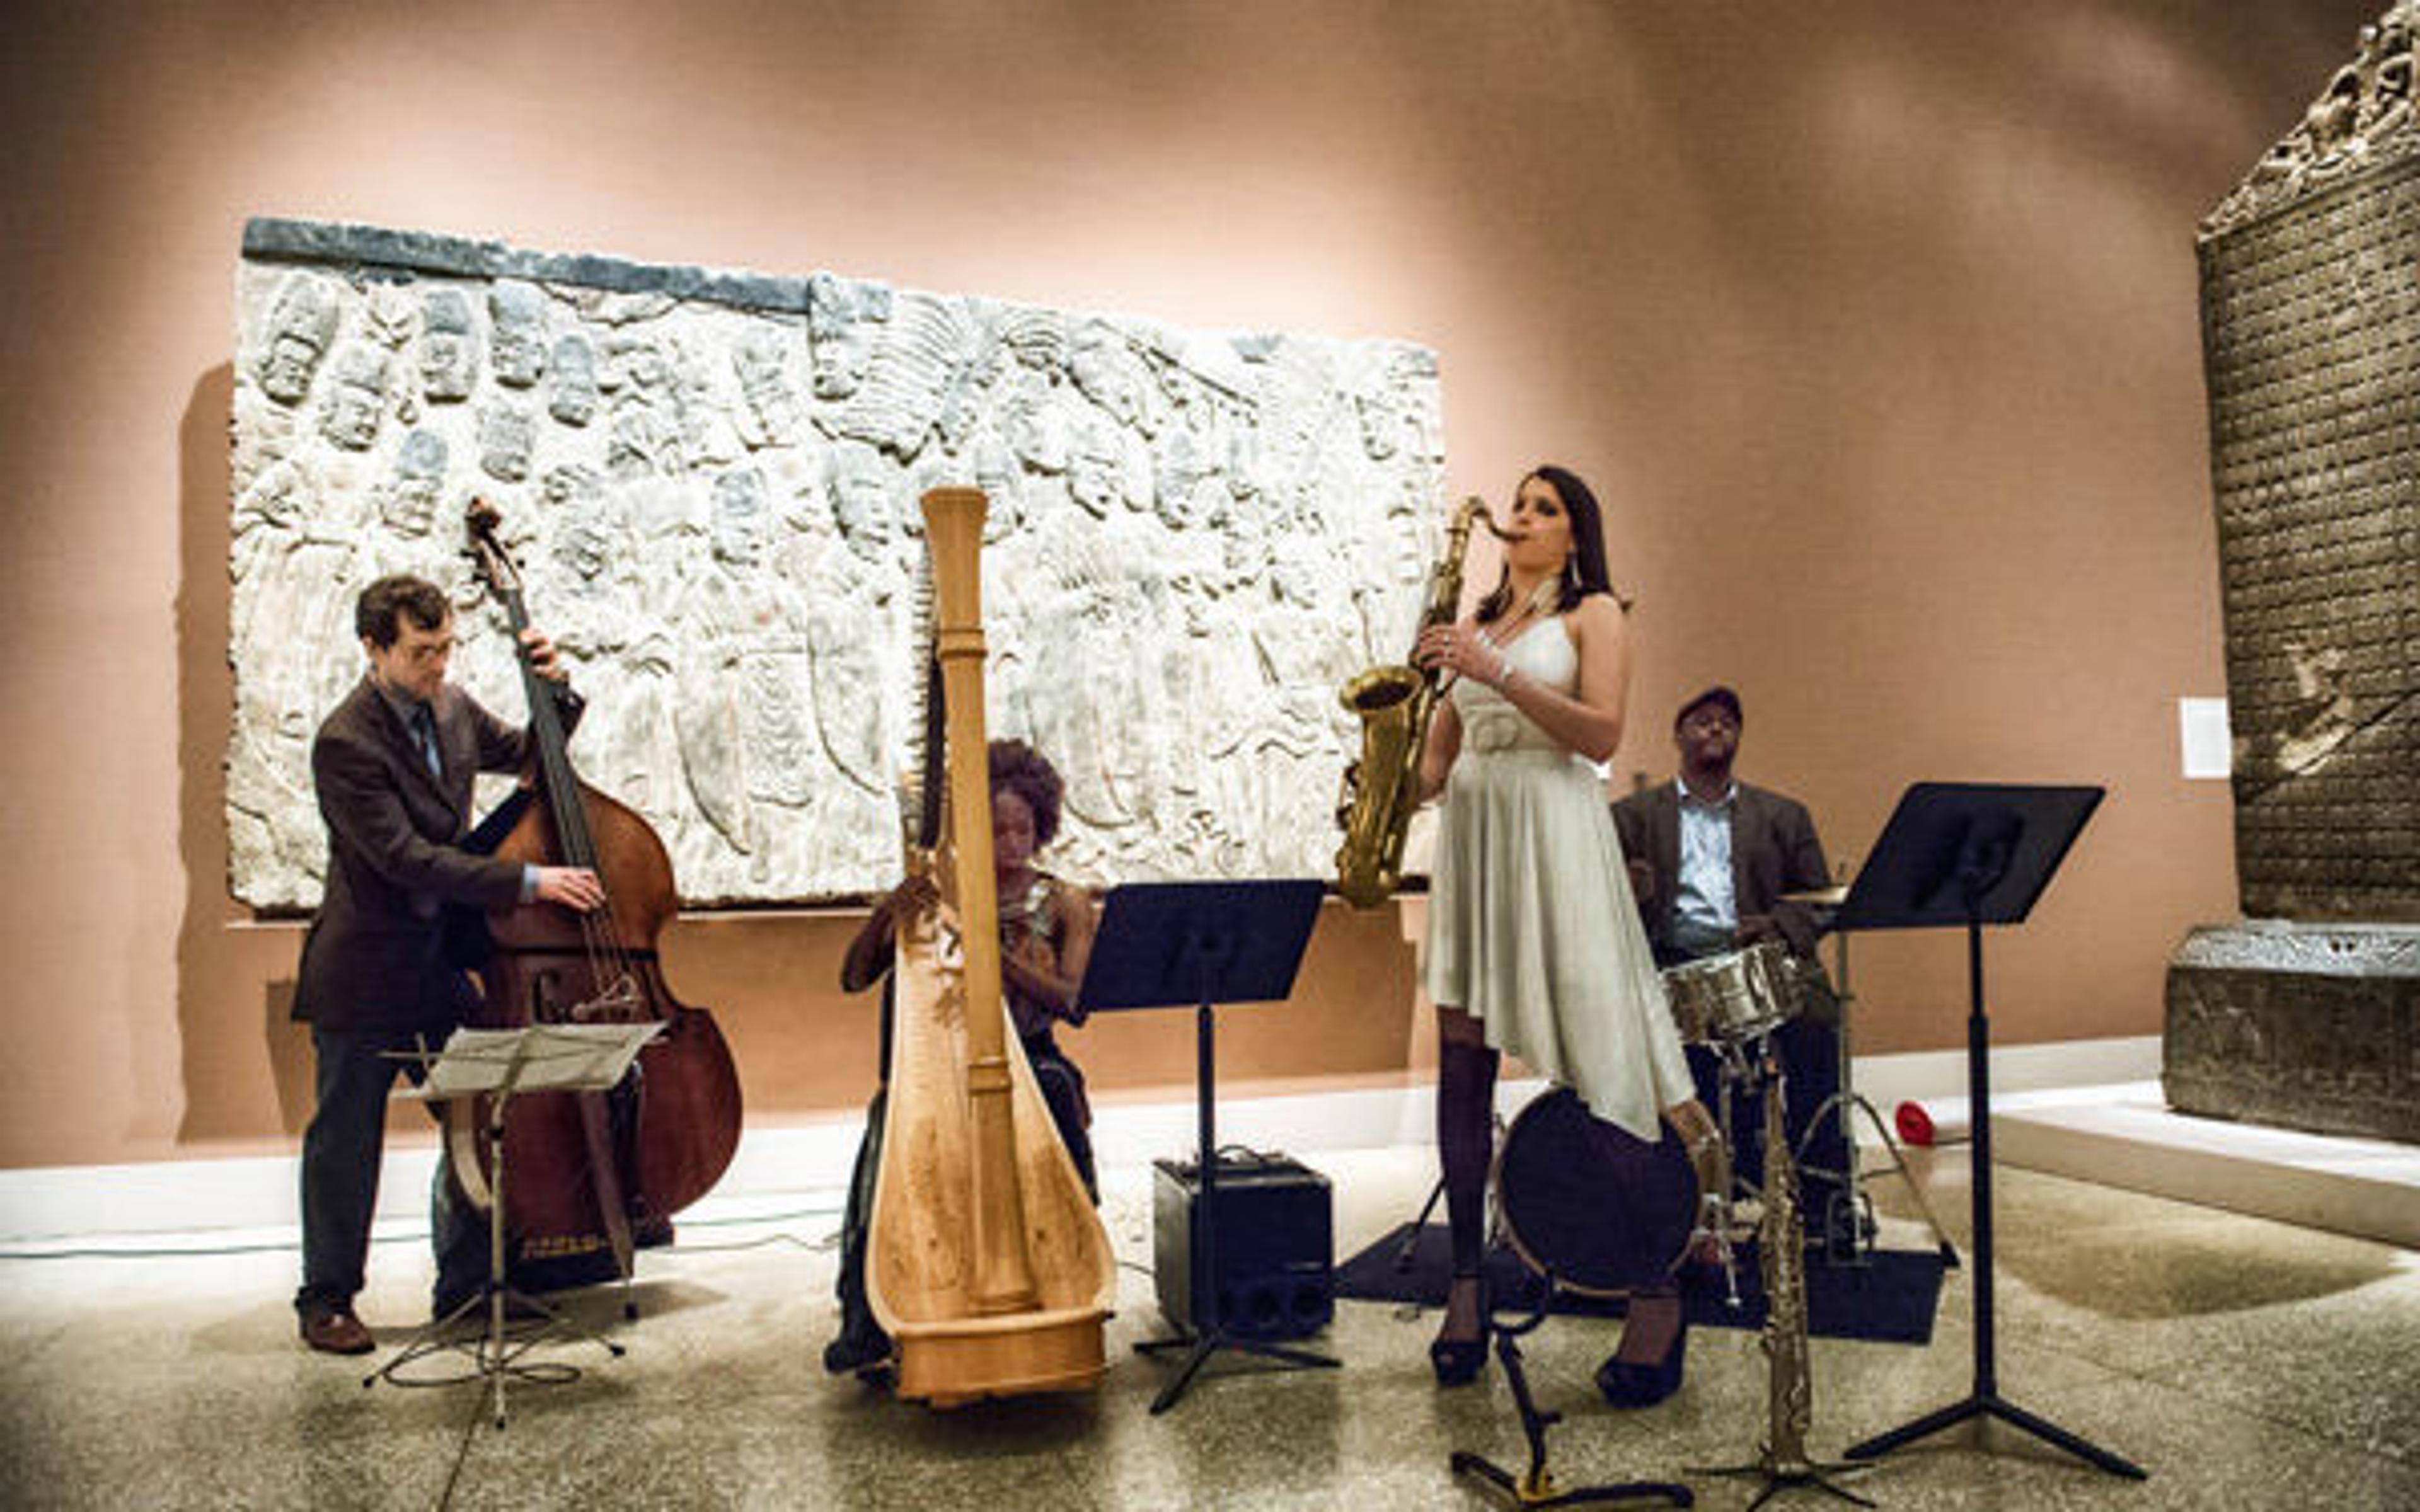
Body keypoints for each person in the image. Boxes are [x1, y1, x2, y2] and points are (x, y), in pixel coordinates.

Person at [1413, 465, 1720, 1407]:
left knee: (1604, 1067)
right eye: (1519, 504)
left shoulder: (1595, 614)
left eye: (1544, 508)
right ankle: (1467, 1287)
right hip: (1476, 841)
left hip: (1555, 838)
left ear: (1576, 533)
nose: (1521, 518)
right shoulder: (1477, 626)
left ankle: (1657, 1293)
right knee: (1461, 1063)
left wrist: (1496, 672)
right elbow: (1438, 763)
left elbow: (1599, 737)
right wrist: (1401, 757)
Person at [291, 575, 604, 1355]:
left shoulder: (453, 706)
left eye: (445, 648)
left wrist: (555, 690)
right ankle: (326, 1300)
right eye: (420, 652)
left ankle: (466, 1284)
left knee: (481, 1119)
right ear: (374, 648)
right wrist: (530, 881)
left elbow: (532, 757)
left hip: (436, 964)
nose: (437, 665)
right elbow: (407, 859)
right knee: (346, 1142)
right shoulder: (345, 741)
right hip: (364, 971)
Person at [823, 739, 1100, 1378]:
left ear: (1042, 825)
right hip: (938, 1071)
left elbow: (1073, 1003)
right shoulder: (935, 900)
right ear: (968, 830)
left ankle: (1069, 1280)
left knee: (1050, 1089)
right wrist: (888, 913)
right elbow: (853, 977)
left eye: (1023, 828)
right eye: (996, 829)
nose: (1011, 842)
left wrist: (987, 952)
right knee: (888, 1118)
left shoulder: (1063, 902)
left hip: (1034, 1061)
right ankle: (866, 1319)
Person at [1611, 687, 1850, 1243]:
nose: (1716, 729)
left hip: (1759, 963)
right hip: (1670, 969)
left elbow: (1820, 901)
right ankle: (1677, 1196)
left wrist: (1775, 924)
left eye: (1727, 722)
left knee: (1817, 1025)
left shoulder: (1783, 815)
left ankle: (1821, 1193)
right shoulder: (1632, 817)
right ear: (1678, 736)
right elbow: (1593, 903)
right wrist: (1631, 894)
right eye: (1702, 721)